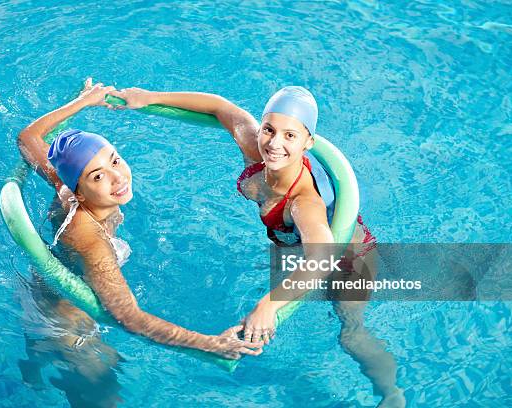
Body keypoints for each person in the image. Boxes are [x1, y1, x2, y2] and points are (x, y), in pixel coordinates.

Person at [108, 85, 405, 407]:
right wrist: (149, 98)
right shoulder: (257, 150)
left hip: (348, 260)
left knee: (351, 333)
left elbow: (321, 259)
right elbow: (222, 106)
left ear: (309, 143)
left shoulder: (304, 203)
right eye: (269, 129)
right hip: (301, 246)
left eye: (290, 136)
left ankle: (392, 394)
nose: (274, 143)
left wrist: (269, 305)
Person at [17, 78, 264, 361]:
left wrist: (85, 100)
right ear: (80, 192)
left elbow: (27, 138)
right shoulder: (89, 240)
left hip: (55, 281)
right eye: (97, 176)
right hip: (64, 315)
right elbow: (129, 317)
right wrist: (210, 344)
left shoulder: (65, 186)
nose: (118, 177)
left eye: (115, 160)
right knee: (104, 389)